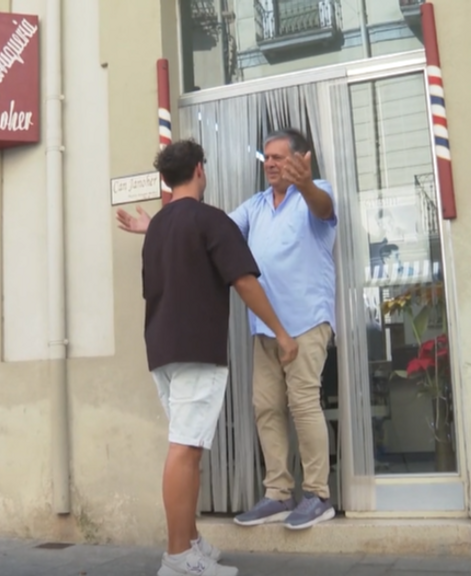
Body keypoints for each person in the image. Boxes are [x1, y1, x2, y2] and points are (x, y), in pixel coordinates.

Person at [118, 128, 338, 531]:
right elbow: (205, 232)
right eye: (266, 158)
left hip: (305, 322)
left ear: (299, 159)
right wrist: (156, 227)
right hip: (266, 329)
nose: (271, 163)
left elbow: (324, 209)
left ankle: (318, 495)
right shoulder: (254, 206)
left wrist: (306, 186)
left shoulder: (314, 194)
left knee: (302, 404)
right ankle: (278, 493)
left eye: (279, 157)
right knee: (266, 407)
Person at [140, 139, 299, 576]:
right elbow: (244, 282)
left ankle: (189, 541)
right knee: (185, 450)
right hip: (196, 349)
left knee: (188, 448)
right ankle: (178, 559)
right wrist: (282, 334)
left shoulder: (157, 227)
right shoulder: (211, 220)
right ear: (199, 170)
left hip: (162, 348)